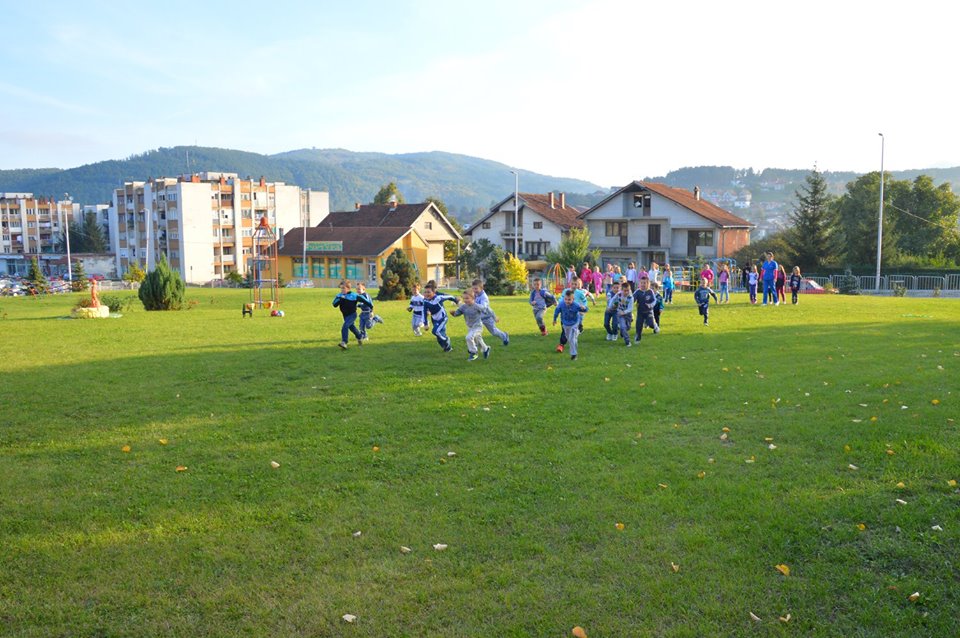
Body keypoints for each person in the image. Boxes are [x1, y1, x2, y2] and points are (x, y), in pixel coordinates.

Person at [452, 289, 493, 361]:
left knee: (469, 337)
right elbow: (458, 313)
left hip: (477, 326)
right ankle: (486, 349)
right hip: (470, 327)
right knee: (478, 339)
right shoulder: (463, 307)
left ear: (473, 298)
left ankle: (473, 352)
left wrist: (492, 317)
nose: (465, 300)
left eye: (467, 298)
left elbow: (485, 309)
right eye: (464, 298)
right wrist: (454, 313)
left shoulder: (477, 306)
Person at [556, 278, 594, 353]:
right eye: (572, 284)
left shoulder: (580, 293)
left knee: (568, 331)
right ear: (570, 284)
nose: (573, 286)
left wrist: (583, 308)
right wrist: (559, 305)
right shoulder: (565, 291)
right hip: (565, 314)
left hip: (575, 316)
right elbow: (561, 299)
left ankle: (562, 344)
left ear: (578, 285)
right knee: (564, 330)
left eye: (575, 284)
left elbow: (584, 301)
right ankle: (563, 343)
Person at [421, 280, 460, 352]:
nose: (426, 294)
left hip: (443, 318)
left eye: (428, 292)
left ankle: (446, 339)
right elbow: (424, 312)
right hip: (434, 319)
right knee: (438, 336)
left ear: (434, 292)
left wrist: (456, 300)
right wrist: (425, 324)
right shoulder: (425, 301)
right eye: (425, 292)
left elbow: (449, 296)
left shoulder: (438, 297)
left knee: (436, 331)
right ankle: (447, 348)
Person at [332, 280, 370, 349]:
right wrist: (340, 299)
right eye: (341, 288)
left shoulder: (353, 295)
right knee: (351, 327)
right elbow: (334, 304)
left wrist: (371, 307)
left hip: (352, 315)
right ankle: (359, 336)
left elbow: (365, 300)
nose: (342, 290)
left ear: (348, 288)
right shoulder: (339, 295)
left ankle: (344, 342)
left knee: (345, 326)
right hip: (345, 315)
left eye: (343, 288)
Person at [553, 289, 588, 360]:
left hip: (574, 323)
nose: (567, 301)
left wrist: (584, 308)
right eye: (565, 299)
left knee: (572, 339)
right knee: (569, 338)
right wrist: (554, 319)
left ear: (573, 299)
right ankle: (577, 333)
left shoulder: (576, 305)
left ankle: (573, 354)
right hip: (565, 323)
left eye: (569, 300)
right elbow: (556, 311)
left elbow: (585, 310)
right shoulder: (561, 304)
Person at [472, 279, 509, 346]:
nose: (474, 290)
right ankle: (475, 345)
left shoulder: (484, 297)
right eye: (473, 288)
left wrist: (494, 317)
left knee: (493, 332)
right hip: (478, 318)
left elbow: (484, 307)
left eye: (476, 289)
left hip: (487, 317)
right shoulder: (476, 294)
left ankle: (504, 336)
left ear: (481, 288)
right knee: (475, 330)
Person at [632, 274, 659, 342]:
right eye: (641, 283)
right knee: (638, 326)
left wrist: (650, 305)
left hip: (649, 312)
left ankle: (655, 326)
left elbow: (654, 300)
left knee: (651, 324)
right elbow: (632, 299)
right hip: (640, 312)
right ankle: (638, 338)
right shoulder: (638, 292)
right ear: (639, 284)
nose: (643, 284)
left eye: (644, 283)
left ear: (648, 284)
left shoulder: (650, 291)